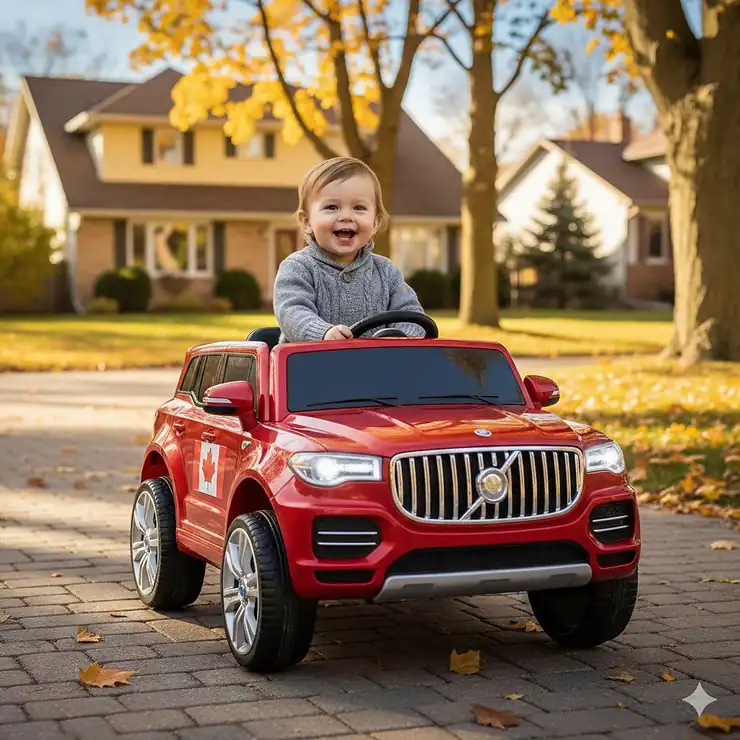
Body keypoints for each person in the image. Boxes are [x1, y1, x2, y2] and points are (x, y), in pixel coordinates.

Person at [273, 156, 426, 343]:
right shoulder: (298, 267)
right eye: (332, 207)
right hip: (309, 367)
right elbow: (292, 311)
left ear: (375, 222)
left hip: (377, 368)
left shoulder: (386, 272)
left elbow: (410, 314)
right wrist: (322, 333)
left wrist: (404, 337)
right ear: (307, 222)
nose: (346, 216)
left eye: (359, 208)